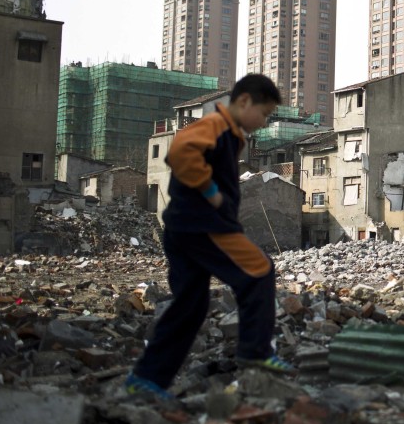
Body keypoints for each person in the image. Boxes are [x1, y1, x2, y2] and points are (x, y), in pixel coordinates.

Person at [125, 74, 295, 400]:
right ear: (244, 101)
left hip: (183, 228)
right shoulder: (215, 124)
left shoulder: (229, 134)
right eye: (264, 113)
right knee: (259, 271)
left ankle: (147, 379)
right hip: (205, 226)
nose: (264, 122)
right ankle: (255, 351)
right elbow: (180, 152)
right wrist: (212, 191)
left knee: (191, 304)